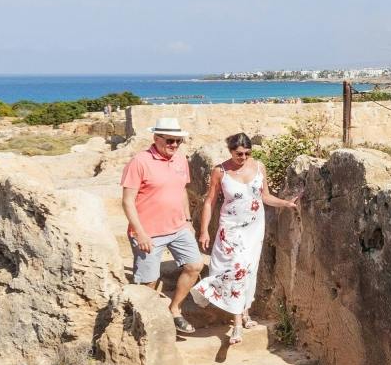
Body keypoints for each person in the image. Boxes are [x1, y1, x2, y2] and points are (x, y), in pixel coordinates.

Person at [192, 132, 303, 341]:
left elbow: (265, 196)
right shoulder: (220, 171)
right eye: (238, 154)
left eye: (247, 153)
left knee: (249, 270)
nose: (243, 157)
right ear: (230, 151)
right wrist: (204, 230)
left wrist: (287, 203)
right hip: (230, 228)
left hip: (254, 227)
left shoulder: (259, 167)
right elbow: (209, 201)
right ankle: (236, 325)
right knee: (238, 269)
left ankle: (245, 312)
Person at [120, 117, 204, 335]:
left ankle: (174, 309)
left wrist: (187, 221)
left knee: (195, 265)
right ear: (156, 138)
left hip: (178, 228)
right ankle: (143, 325)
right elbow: (128, 201)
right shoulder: (139, 161)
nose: (174, 145)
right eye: (170, 141)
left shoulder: (180, 160)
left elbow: (181, 191)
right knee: (148, 282)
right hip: (149, 232)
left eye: (178, 141)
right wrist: (140, 233)